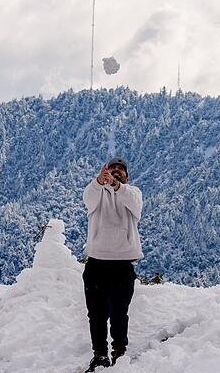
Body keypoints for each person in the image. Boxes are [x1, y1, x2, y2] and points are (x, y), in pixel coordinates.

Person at [82, 157, 144, 372]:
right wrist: (100, 182)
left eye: (121, 169)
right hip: (96, 263)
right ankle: (99, 355)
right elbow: (87, 198)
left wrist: (116, 186)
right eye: (112, 168)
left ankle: (119, 352)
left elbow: (135, 204)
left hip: (122, 265)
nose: (116, 171)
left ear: (127, 177)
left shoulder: (133, 194)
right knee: (96, 314)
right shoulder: (96, 193)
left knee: (119, 312)